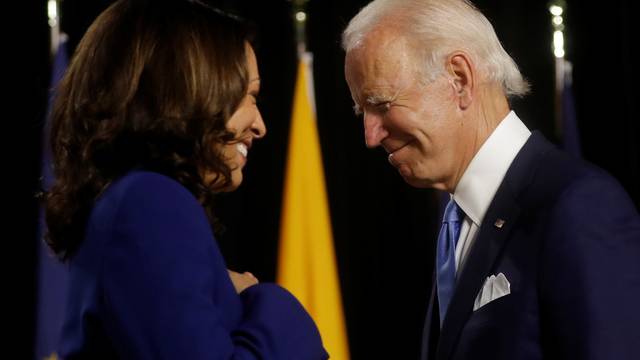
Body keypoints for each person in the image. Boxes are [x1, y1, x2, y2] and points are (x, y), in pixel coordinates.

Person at [342, 0, 640, 359]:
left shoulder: (578, 206)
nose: (370, 136)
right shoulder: (456, 221)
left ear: (460, 79)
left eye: (382, 103)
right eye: (362, 110)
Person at [44, 0, 328, 358]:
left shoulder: (129, 198)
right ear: (190, 91)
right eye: (249, 97)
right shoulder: (150, 202)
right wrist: (267, 302)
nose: (260, 125)